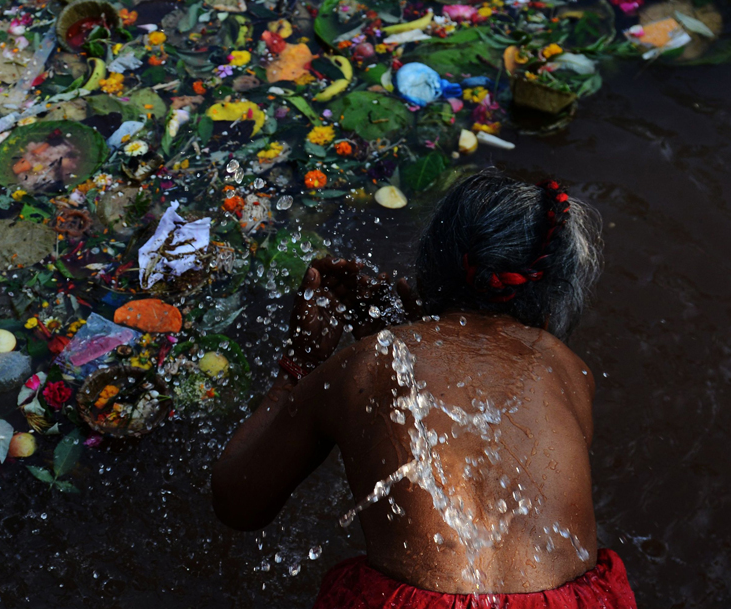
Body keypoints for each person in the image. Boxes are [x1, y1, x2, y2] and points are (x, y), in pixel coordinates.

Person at [212, 170, 637, 607]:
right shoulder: (568, 369)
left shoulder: (366, 363)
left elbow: (237, 502)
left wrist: (298, 368)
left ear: (430, 267)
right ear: (549, 296)